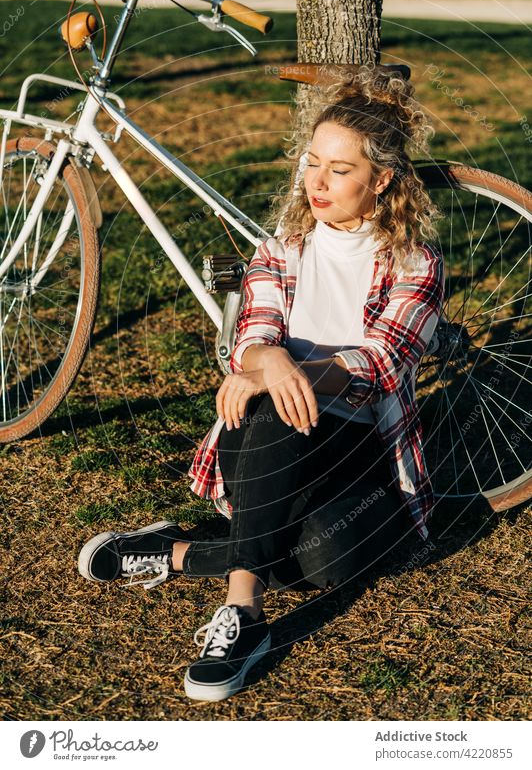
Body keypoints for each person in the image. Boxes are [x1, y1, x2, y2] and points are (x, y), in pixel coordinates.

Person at [77, 64, 445, 703]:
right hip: (259, 437)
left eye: (340, 170)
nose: (317, 183)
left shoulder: (416, 264)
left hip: (353, 444)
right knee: (274, 411)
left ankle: (174, 554)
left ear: (381, 180)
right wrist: (264, 361)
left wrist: (287, 368)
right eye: (312, 163)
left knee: (324, 559)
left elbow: (384, 362)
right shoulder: (281, 248)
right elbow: (251, 335)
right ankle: (244, 615)